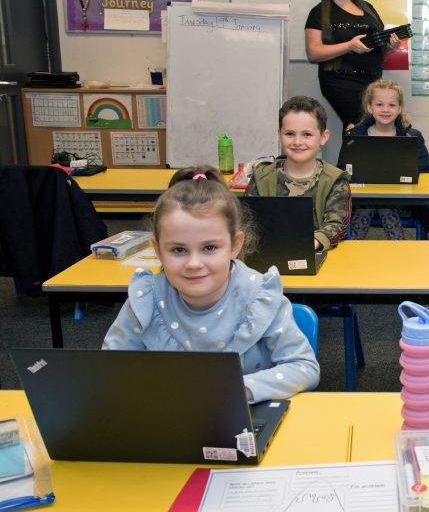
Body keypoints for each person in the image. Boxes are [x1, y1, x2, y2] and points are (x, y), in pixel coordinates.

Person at [103, 166, 321, 404]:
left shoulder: (259, 297)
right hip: (167, 422)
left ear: (235, 245)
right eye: (178, 250)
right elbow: (111, 370)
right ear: (158, 250)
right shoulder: (146, 300)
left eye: (209, 248)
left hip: (244, 422)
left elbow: (305, 367)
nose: (194, 264)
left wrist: (241, 389)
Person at [245, 95, 352, 250]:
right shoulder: (262, 176)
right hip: (269, 254)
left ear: (323, 137)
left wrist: (310, 243)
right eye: (289, 134)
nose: (297, 142)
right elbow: (247, 221)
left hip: (316, 253)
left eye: (307, 134)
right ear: (279, 134)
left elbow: (337, 224)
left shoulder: (335, 180)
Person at [305, 0, 400, 131]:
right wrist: (349, 45)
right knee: (359, 126)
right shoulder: (319, 12)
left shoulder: (368, 8)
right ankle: (351, 159)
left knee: (369, 129)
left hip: (373, 81)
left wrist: (390, 47)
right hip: (340, 80)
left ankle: (355, 158)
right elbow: (313, 52)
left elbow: (378, 46)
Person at [342, 79, 429, 239]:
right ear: (369, 107)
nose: (385, 110)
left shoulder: (412, 136)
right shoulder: (354, 136)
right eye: (379, 105)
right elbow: (343, 171)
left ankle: (397, 255)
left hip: (401, 200)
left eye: (392, 105)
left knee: (385, 205)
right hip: (363, 198)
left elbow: (424, 171)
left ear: (399, 108)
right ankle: (354, 253)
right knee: (371, 205)